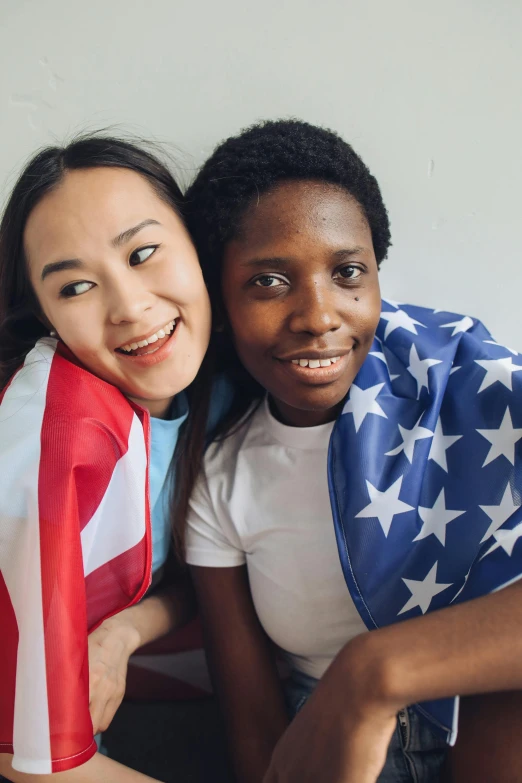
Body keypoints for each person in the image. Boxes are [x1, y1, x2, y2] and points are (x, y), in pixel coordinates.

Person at [180, 119, 522, 783]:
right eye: (268, 282)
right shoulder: (224, 476)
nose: (318, 313)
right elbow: (255, 733)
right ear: (218, 301)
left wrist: (373, 672)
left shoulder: (469, 387)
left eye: (347, 272)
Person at [0, 136, 215, 782]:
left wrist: (124, 631)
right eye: (76, 287)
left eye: (143, 253)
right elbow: (30, 758)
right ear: (45, 318)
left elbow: (200, 577)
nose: (128, 306)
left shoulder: (231, 386)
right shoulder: (51, 432)